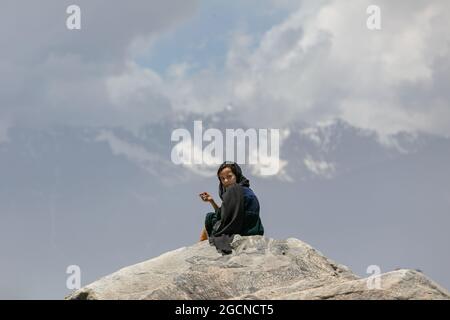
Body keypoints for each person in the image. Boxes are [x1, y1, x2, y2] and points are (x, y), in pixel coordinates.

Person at [199, 161, 264, 254]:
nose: (225, 181)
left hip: (245, 229)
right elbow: (225, 214)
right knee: (213, 218)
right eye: (222, 178)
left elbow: (226, 218)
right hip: (254, 228)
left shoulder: (235, 190)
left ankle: (200, 247)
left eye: (229, 176)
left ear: (236, 175)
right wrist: (211, 201)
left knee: (209, 218)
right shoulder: (244, 189)